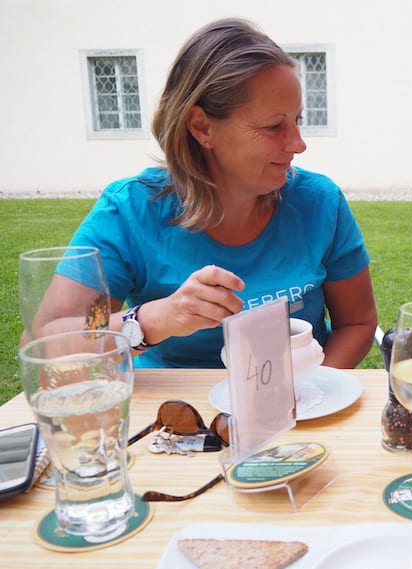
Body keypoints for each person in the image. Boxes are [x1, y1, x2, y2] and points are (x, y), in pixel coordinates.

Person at [36, 18, 378, 369]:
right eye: (274, 126)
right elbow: (46, 342)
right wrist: (153, 321)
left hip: (301, 409)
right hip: (174, 418)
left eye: (297, 120)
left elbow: (357, 322)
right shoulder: (130, 212)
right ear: (202, 127)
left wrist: (311, 395)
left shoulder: (320, 202)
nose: (298, 143)